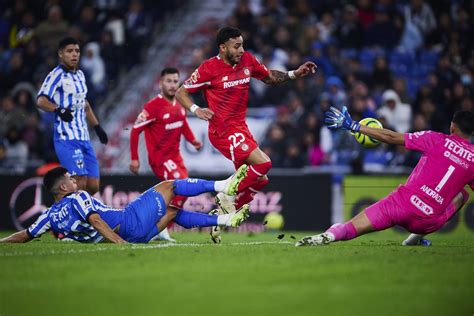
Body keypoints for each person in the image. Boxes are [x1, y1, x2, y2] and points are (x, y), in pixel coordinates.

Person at [176, 26, 316, 243]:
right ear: (223, 48)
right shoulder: (208, 69)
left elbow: (269, 77)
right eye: (236, 46)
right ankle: (226, 194)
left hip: (241, 129)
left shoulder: (248, 61)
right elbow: (181, 92)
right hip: (222, 131)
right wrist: (196, 110)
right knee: (264, 163)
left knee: (261, 180)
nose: (241, 50)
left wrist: (293, 74)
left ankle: (222, 216)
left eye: (242, 45)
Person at [296, 108, 473, 247]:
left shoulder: (436, 139)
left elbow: (390, 137)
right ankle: (414, 239)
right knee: (463, 195)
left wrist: (355, 126)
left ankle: (329, 235)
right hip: (429, 222)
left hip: (402, 205)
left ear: (452, 126)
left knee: (350, 228)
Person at [0, 165, 250, 244]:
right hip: (128, 224)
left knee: (172, 212)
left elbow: (27, 234)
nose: (74, 180)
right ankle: (224, 186)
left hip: (133, 235)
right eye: (69, 178)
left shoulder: (49, 216)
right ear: (63, 187)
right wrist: (119, 243)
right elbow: (96, 220)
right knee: (169, 186)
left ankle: (225, 220)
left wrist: (2, 242)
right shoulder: (78, 197)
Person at [37, 37, 109, 195]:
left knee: (93, 186)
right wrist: (59, 110)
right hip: (67, 138)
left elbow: (85, 104)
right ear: (61, 54)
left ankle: (72, 208)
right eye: (69, 51)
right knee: (79, 183)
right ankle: (77, 217)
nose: (74, 54)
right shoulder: (56, 75)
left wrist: (97, 127)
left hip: (84, 138)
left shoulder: (81, 75)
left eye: (77, 51)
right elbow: (41, 101)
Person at [130, 67, 202, 209]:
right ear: (161, 83)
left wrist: (193, 140)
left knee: (183, 191)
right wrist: (134, 158)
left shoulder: (180, 103)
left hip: (176, 157)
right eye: (168, 81)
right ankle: (159, 225)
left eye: (175, 81)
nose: (172, 85)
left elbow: (183, 124)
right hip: (160, 159)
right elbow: (135, 130)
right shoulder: (152, 107)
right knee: (181, 188)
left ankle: (160, 226)